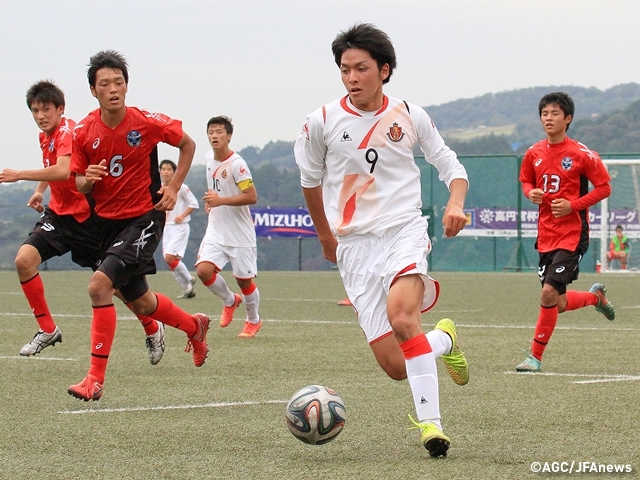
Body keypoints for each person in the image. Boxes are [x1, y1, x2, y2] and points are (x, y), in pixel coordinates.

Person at [294, 23, 470, 458]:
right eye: (344, 69)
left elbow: (449, 162)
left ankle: (432, 426)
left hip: (403, 231)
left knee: (403, 319)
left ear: (384, 70)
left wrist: (455, 202)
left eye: (361, 68)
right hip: (354, 247)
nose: (352, 78)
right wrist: (325, 236)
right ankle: (444, 339)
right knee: (396, 365)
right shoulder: (321, 122)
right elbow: (310, 182)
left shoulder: (410, 114)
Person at [67, 50, 210, 401]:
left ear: (126, 86)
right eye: (105, 84)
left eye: (119, 82)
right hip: (107, 225)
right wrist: (89, 179)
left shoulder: (144, 121)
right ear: (93, 90)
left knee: (99, 286)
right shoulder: (84, 131)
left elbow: (188, 144)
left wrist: (174, 186)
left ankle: (94, 380)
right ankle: (195, 326)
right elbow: (80, 182)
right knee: (143, 304)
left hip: (143, 218)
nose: (113, 88)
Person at [0, 80, 165, 365]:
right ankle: (47, 329)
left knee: (120, 288)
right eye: (35, 111)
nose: (40, 116)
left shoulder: (67, 132)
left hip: (87, 222)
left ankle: (153, 327)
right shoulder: (46, 136)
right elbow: (54, 168)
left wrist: (20, 175)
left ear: (60, 109)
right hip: (58, 217)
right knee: (23, 261)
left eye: (46, 110)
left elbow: (64, 170)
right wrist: (39, 192)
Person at [516, 92, 615, 373]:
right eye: (545, 114)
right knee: (556, 303)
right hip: (546, 235)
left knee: (547, 294)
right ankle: (596, 298)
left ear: (567, 118)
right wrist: (530, 192)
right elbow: (525, 180)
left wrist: (573, 206)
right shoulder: (533, 153)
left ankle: (534, 357)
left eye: (555, 113)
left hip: (573, 234)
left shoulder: (582, 155)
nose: (549, 118)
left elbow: (604, 187)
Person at [195, 116, 262, 338]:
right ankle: (229, 300)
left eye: (219, 132)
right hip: (216, 230)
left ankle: (253, 320)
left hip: (240, 233)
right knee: (203, 271)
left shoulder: (237, 165)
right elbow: (215, 187)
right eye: (211, 132)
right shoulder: (208, 158)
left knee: (244, 280)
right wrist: (211, 203)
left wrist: (221, 201)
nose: (214, 136)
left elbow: (251, 197)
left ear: (229, 136)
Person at [159, 159, 199, 297]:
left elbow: (194, 203)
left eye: (169, 169)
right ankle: (187, 290)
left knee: (170, 258)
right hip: (166, 228)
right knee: (170, 261)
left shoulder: (181, 187)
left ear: (174, 172)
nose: (165, 172)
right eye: (163, 169)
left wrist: (182, 215)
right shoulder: (158, 187)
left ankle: (189, 279)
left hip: (179, 227)